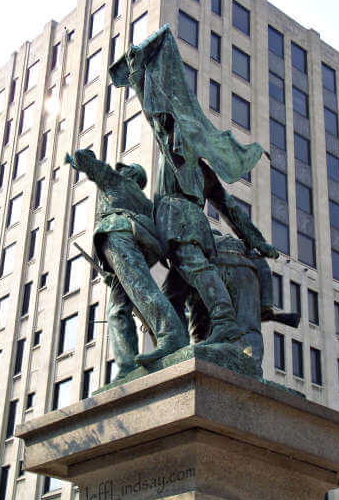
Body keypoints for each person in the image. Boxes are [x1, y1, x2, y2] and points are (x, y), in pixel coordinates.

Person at [110, 25, 279, 365]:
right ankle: (171, 343)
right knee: (173, 292)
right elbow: (230, 209)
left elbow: (154, 112)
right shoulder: (202, 170)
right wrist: (258, 241)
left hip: (179, 221)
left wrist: (139, 73)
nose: (171, 132)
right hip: (189, 223)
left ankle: (225, 323)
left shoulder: (175, 151)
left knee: (195, 268)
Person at [65, 149, 188, 380]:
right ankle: (126, 366)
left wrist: (77, 159)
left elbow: (88, 162)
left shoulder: (117, 181)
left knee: (140, 290)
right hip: (138, 245)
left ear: (130, 174)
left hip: (117, 234)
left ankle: (172, 335)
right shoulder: (144, 202)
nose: (121, 169)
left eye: (126, 168)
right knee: (118, 308)